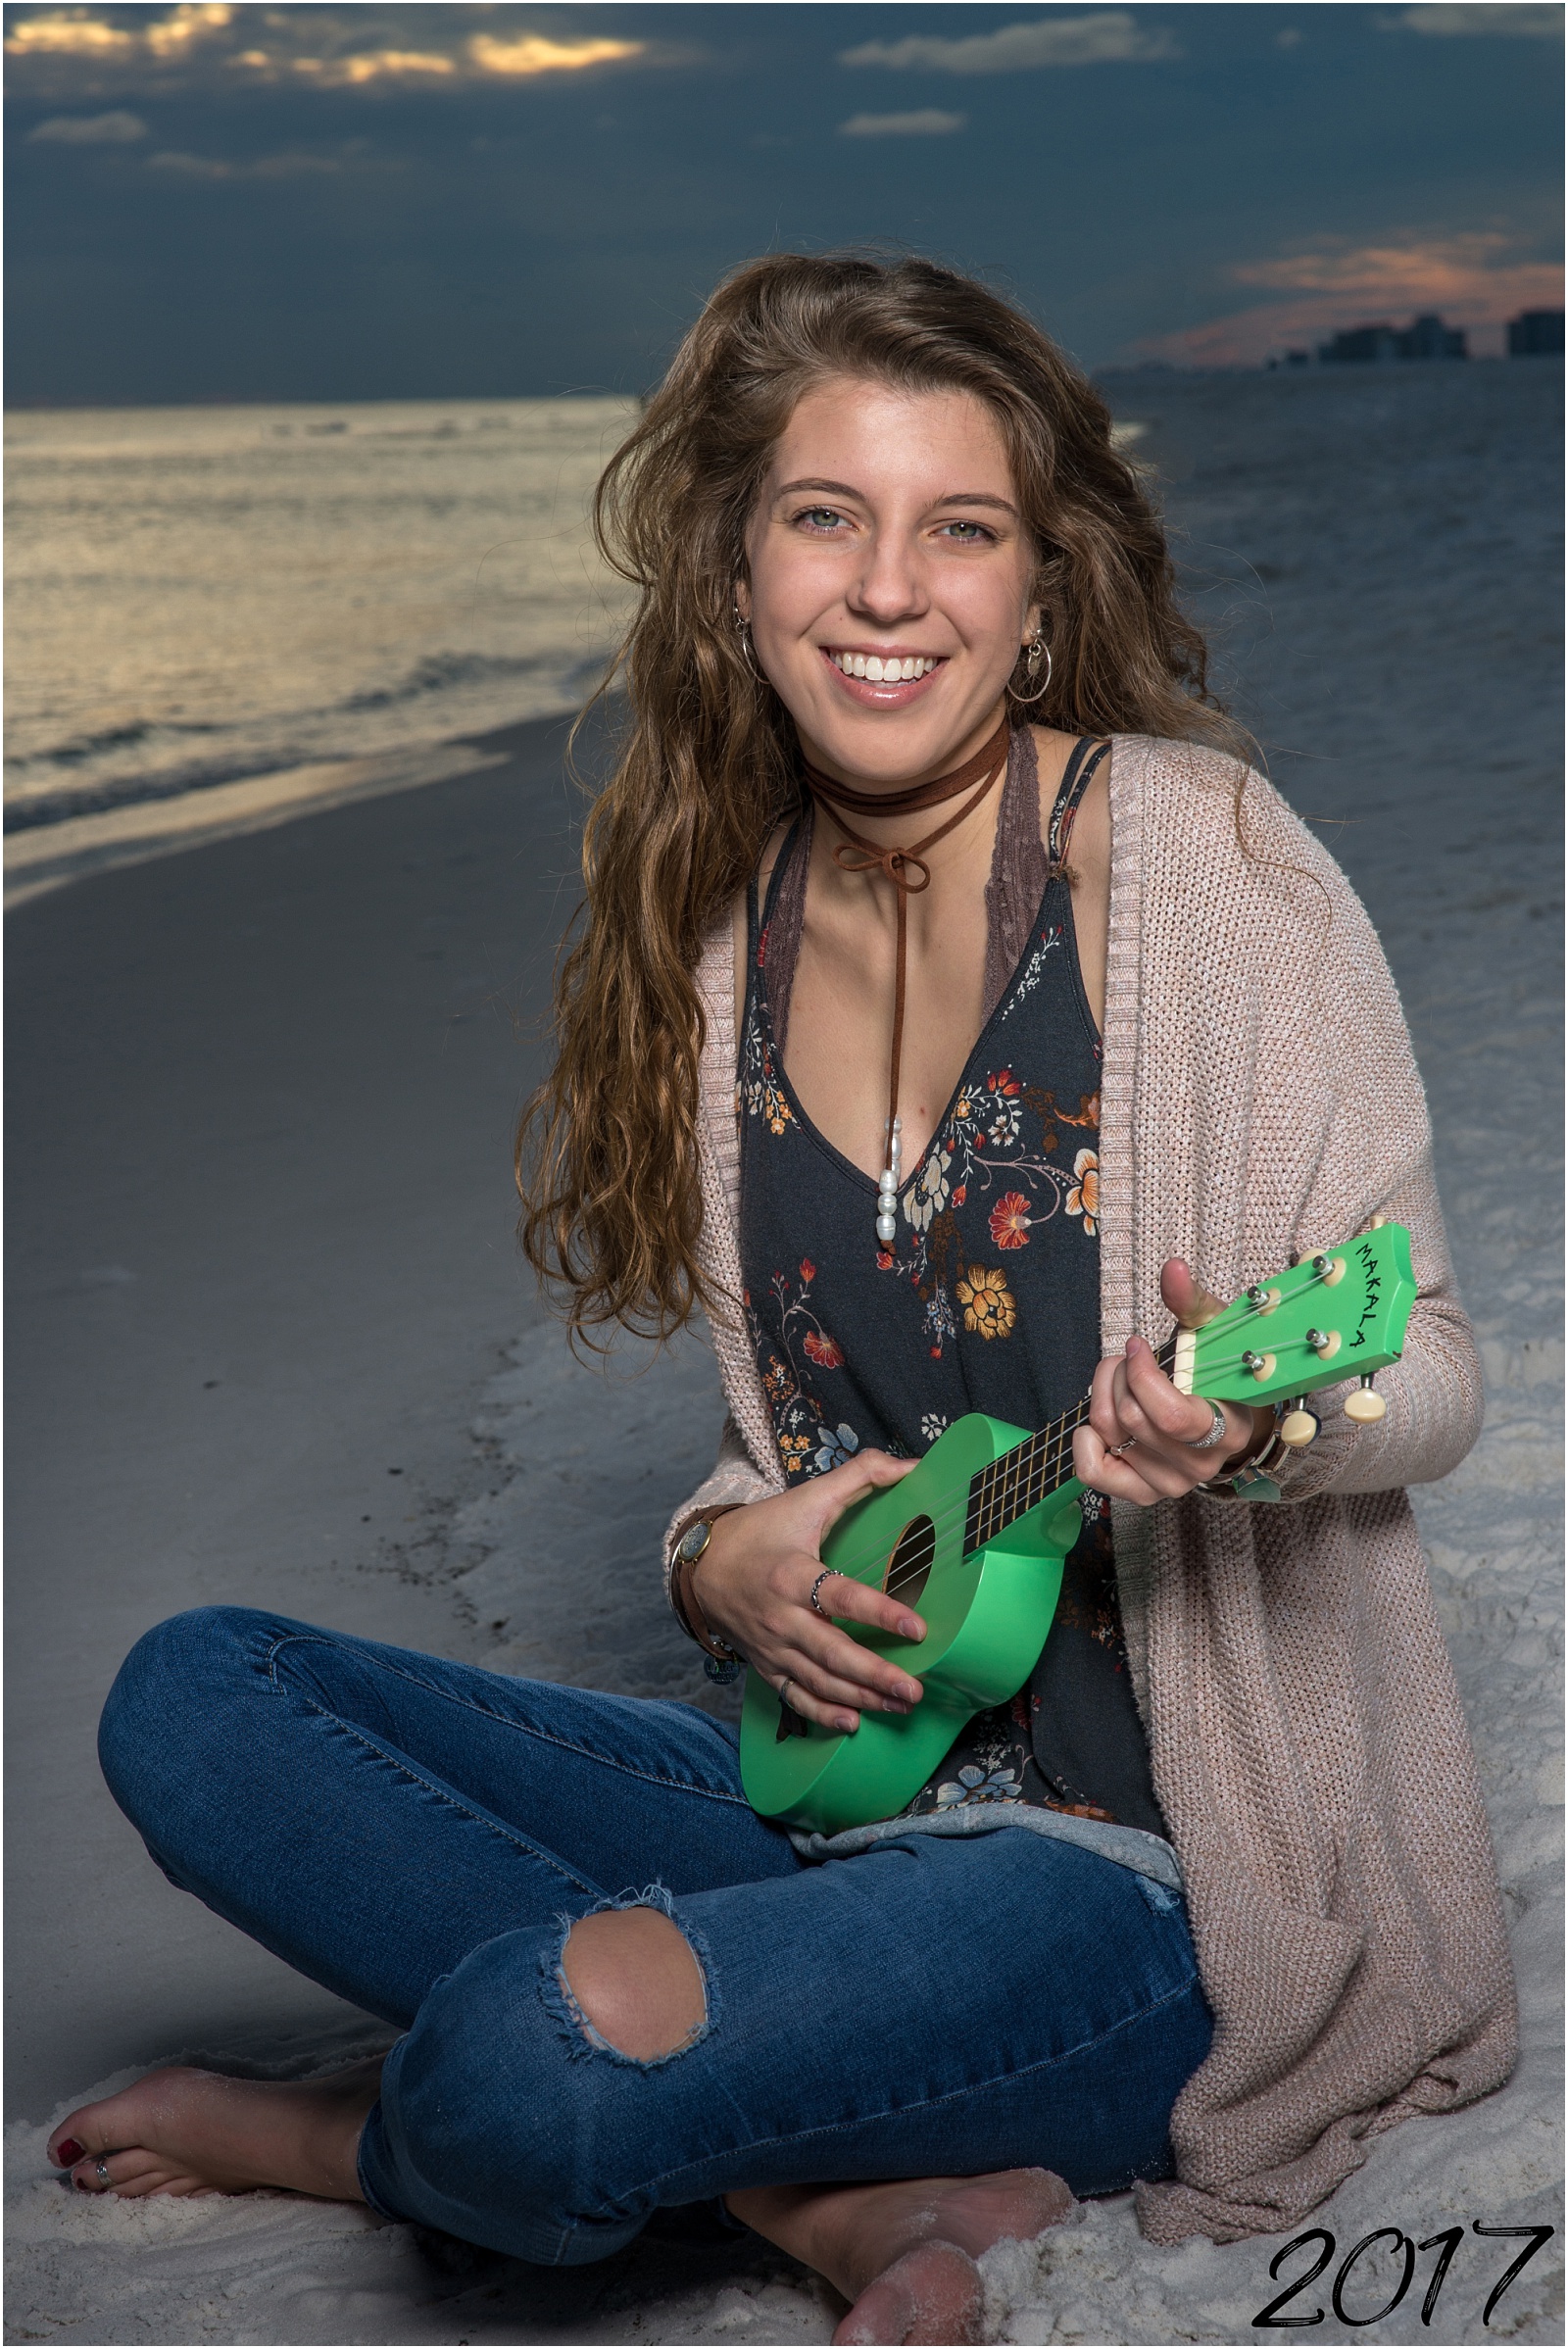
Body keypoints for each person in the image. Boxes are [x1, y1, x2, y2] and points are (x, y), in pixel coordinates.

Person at [50, 256, 1515, 2347]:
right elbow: (796, 1459)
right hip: (819, 1786)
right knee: (191, 1697)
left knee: (524, 2069)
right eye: (826, 516)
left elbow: (1431, 1365)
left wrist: (1266, 1431)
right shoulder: (726, 951)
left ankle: (371, 2124)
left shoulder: (1202, 862)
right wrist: (713, 1554)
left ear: (1038, 582)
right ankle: (836, 2188)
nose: (886, 588)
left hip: (1144, 1883)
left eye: (959, 527)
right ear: (733, 572)